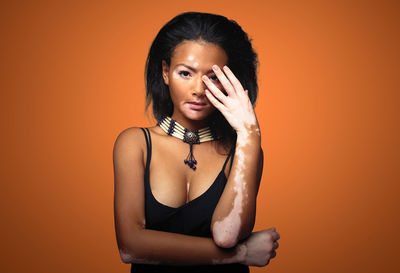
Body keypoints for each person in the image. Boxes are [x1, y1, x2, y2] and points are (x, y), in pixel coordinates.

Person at [113, 12, 280, 273]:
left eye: (213, 77)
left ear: (230, 81)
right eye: (185, 73)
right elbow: (131, 246)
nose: (199, 89)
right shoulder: (135, 144)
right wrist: (241, 254)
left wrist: (250, 132)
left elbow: (226, 235)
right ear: (166, 72)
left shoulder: (243, 150)